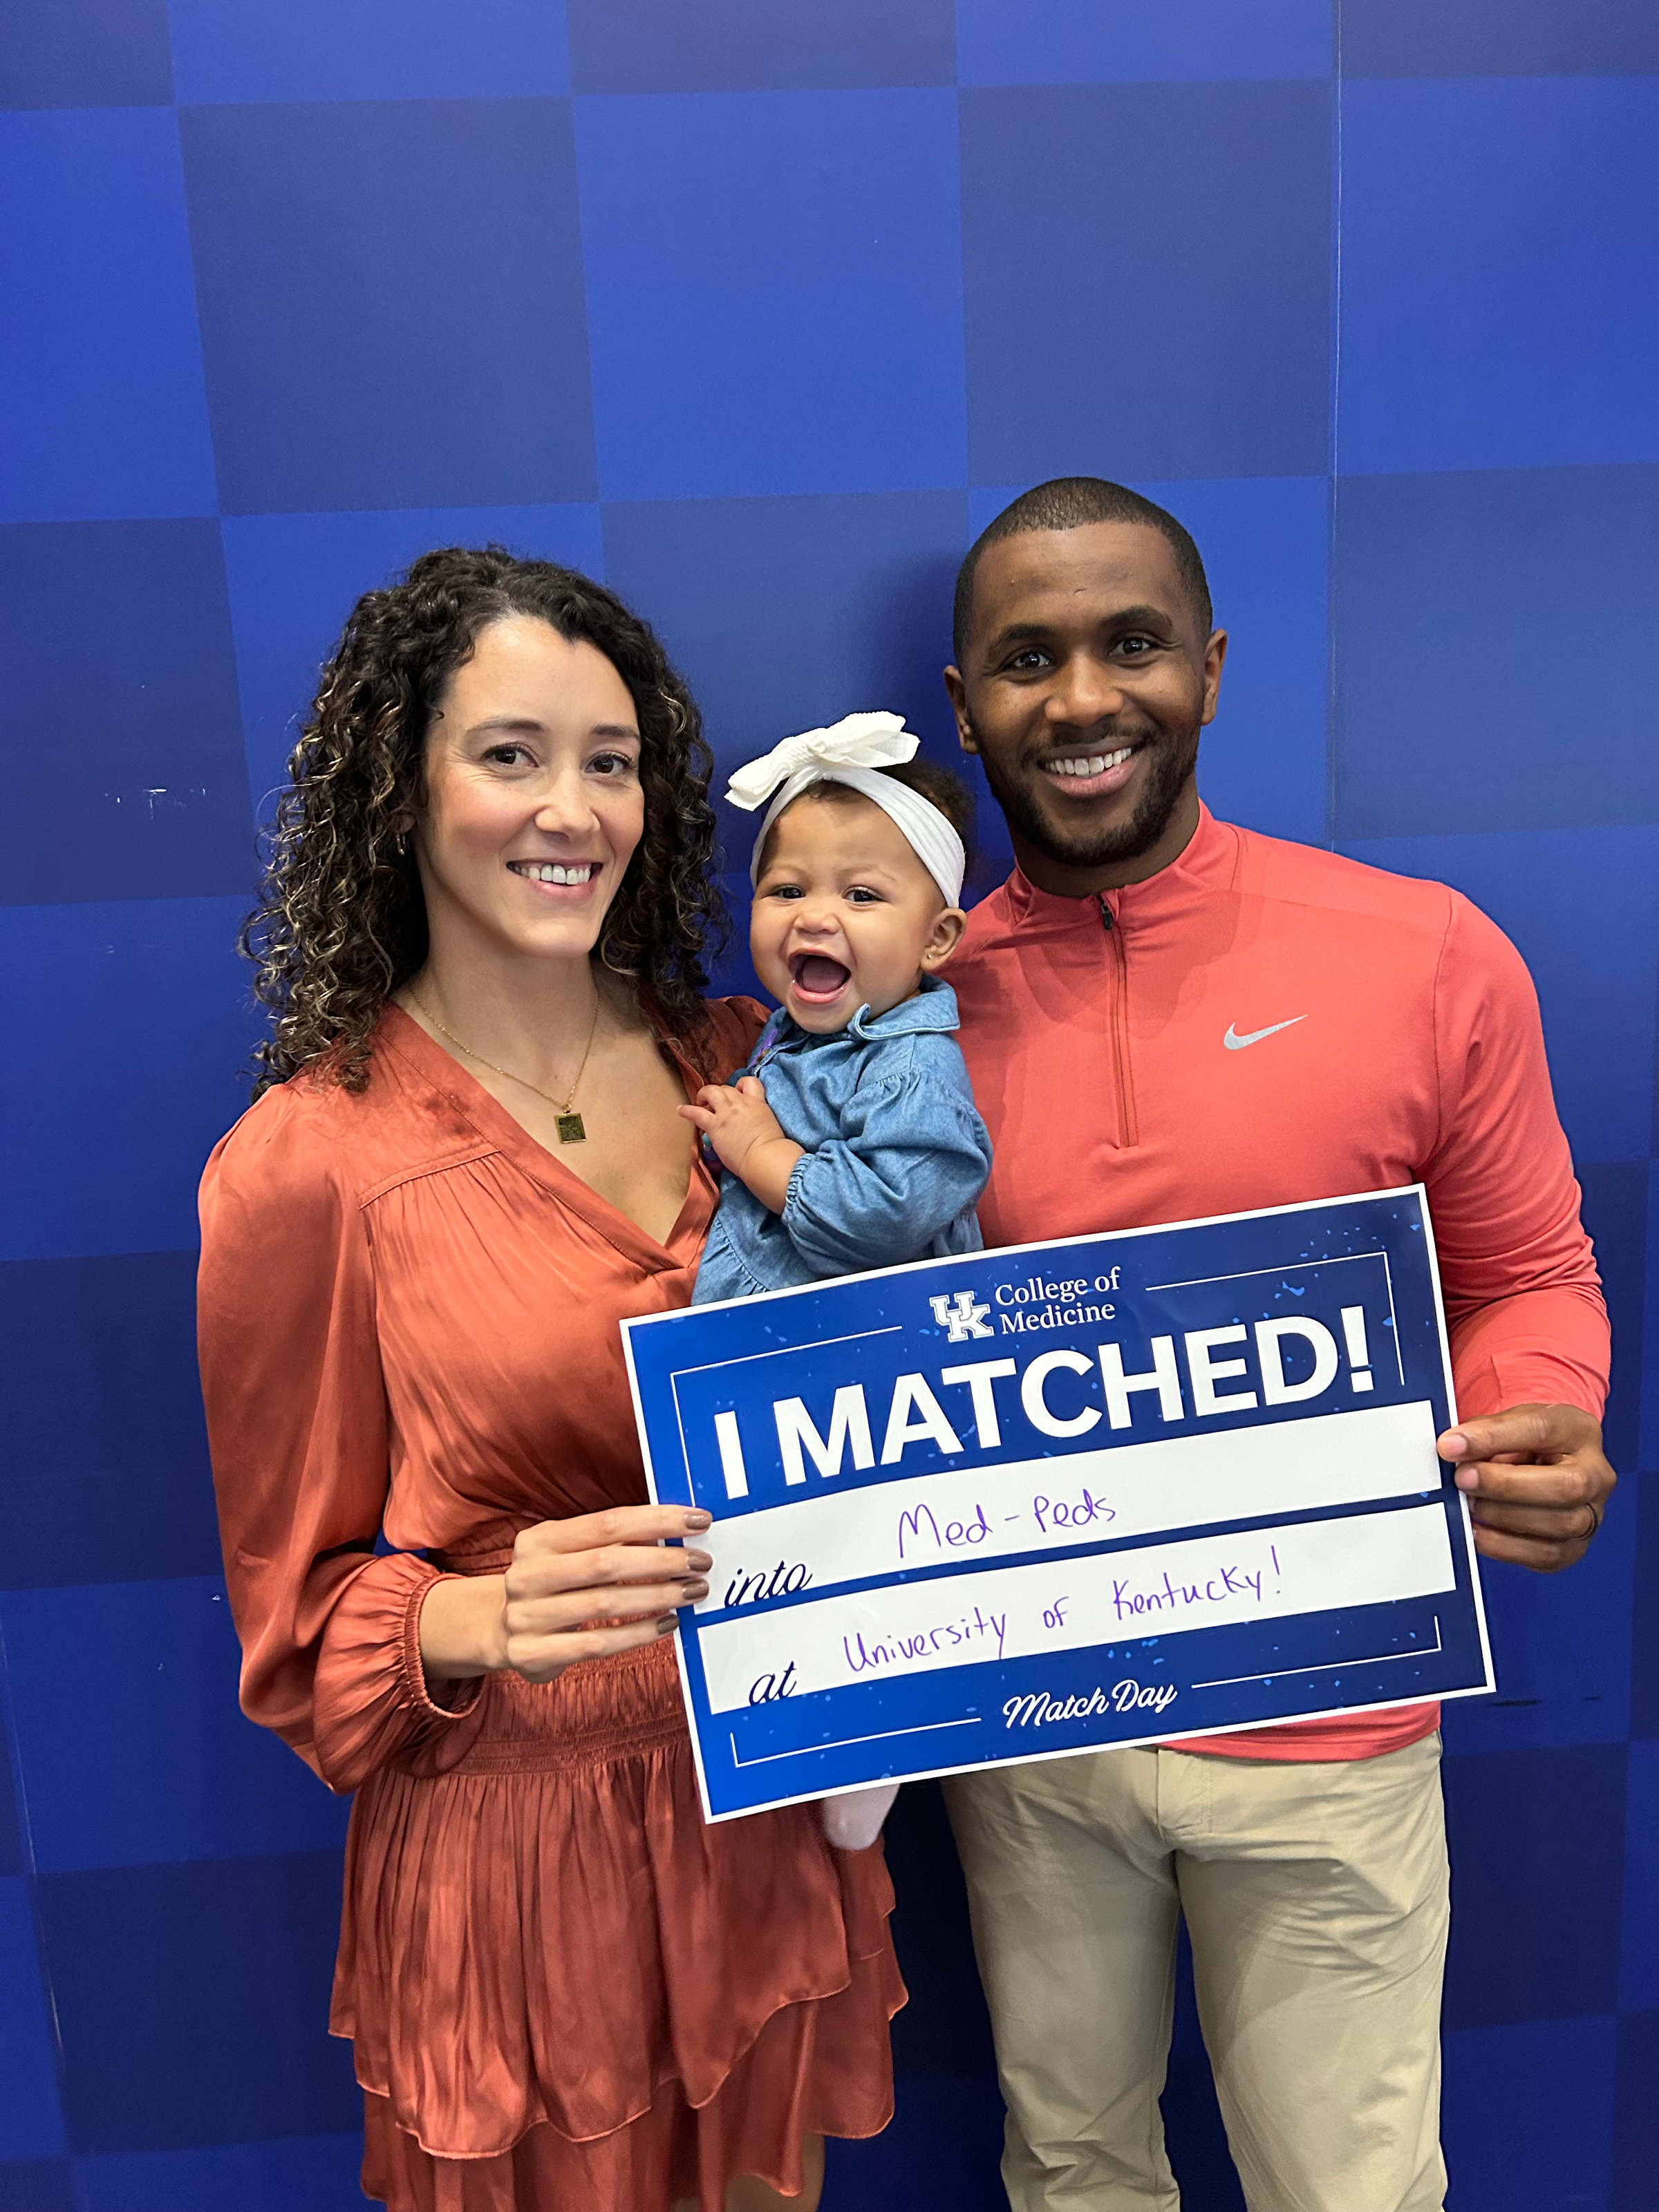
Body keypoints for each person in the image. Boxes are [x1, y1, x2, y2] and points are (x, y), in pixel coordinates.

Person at [196, 549, 903, 2212]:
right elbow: (292, 1640)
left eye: (609, 759)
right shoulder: (310, 1163)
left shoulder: (753, 1063)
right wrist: (474, 1617)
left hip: (768, 1808)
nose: (570, 807)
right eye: (510, 753)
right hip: (522, 1880)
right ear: (401, 784)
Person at [937, 478, 1614, 2212]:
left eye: (1131, 643)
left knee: (1353, 2187)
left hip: (1333, 1723)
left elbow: (1533, 1269)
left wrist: (1538, 1413)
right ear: (966, 708)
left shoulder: (1420, 953)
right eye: (1027, 659)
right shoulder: (892, 1007)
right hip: (1033, 1723)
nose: (1082, 699)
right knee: (1074, 2166)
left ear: (1214, 671)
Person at [684, 711, 993, 1848]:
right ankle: (808, 1709)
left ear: (938, 937)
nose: (817, 916)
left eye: (864, 897)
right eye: (787, 891)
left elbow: (886, 1210)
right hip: (789, 1375)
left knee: (879, 1556)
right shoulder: (792, 1040)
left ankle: (874, 1742)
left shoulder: (914, 1063)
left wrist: (756, 1152)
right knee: (785, 1562)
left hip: (875, 1376)